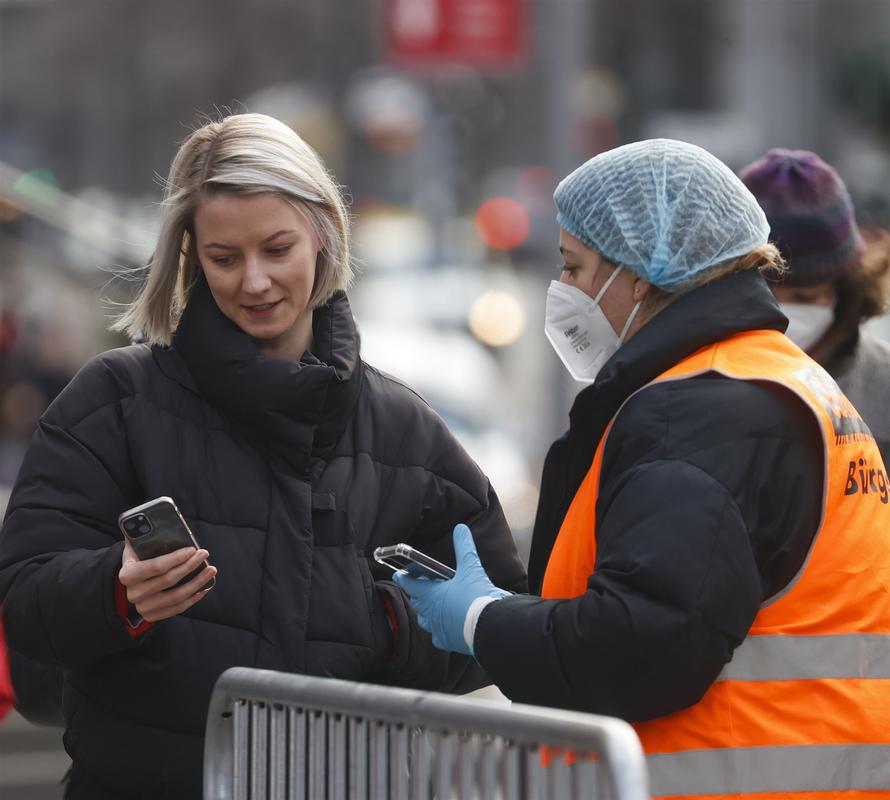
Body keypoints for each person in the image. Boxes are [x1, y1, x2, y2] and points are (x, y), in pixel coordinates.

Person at [0, 112, 527, 799]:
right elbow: (24, 600)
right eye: (224, 258)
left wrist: (392, 625)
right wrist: (116, 591)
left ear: (323, 233)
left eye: (277, 249)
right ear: (191, 255)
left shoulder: (405, 431)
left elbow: (500, 617)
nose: (254, 282)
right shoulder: (114, 401)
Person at [395, 139, 890, 797]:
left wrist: (481, 621)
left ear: (639, 274)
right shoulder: (781, 381)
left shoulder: (701, 408)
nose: (563, 289)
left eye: (574, 266)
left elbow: (645, 643)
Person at [739, 148, 890, 460]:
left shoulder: (883, 386)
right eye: (763, 293)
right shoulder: (690, 380)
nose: (778, 314)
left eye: (803, 298)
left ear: (845, 290)